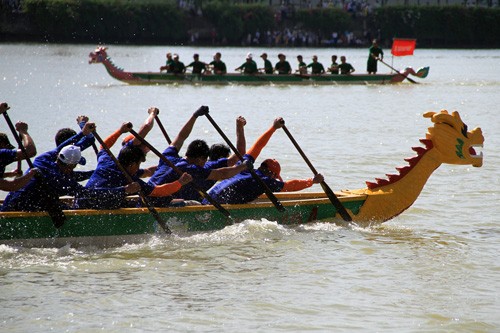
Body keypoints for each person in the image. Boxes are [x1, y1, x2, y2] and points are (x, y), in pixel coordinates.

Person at [1, 122, 141, 212]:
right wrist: (123, 190)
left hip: (10, 201)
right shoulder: (62, 180)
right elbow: (90, 193)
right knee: (64, 210)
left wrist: (83, 132)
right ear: (72, 165)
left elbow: (63, 147)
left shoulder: (44, 158)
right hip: (22, 209)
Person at [205, 117, 324, 204]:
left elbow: (258, 146)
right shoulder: (265, 181)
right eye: (275, 176)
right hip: (217, 206)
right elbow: (289, 186)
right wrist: (312, 181)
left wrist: (273, 128)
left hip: (207, 200)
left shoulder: (243, 166)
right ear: (271, 174)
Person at [76, 122, 192, 210]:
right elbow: (158, 191)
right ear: (132, 164)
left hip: (80, 203)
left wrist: (120, 131)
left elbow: (103, 146)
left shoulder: (106, 160)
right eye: (138, 164)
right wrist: (180, 182)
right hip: (93, 208)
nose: (138, 168)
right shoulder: (130, 180)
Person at [148, 106, 251, 205]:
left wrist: (195, 115)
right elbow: (223, 173)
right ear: (200, 159)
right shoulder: (194, 169)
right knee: (198, 203)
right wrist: (243, 166)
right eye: (204, 160)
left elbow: (181, 137)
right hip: (159, 203)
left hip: (145, 196)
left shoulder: (169, 156)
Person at [202, 115, 246, 191]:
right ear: (222, 157)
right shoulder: (216, 166)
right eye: (227, 157)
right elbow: (240, 152)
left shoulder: (205, 164)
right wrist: (239, 127)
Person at [0, 102, 37, 179]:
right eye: (7, 148)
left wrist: (10, 174)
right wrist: (23, 131)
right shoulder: (1, 155)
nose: (8, 150)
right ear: (1, 144)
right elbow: (30, 151)